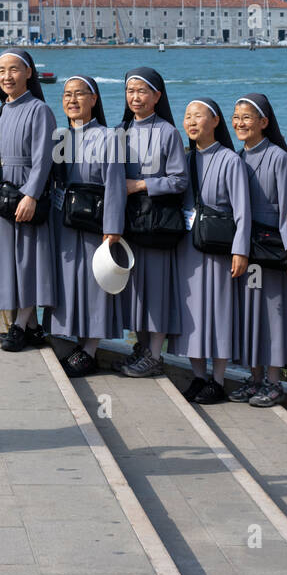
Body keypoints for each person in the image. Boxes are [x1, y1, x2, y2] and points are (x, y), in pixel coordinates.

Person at [0, 49, 58, 351]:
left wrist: (31, 194)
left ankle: (19, 327)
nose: (7, 76)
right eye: (2, 70)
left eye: (14, 69)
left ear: (28, 73)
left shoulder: (40, 110)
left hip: (27, 192)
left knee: (28, 261)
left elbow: (44, 158)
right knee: (5, 260)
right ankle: (32, 330)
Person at [172, 98, 251, 403]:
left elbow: (242, 210)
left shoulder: (230, 160)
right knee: (191, 311)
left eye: (198, 116)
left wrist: (240, 250)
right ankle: (198, 376)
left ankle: (218, 380)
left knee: (218, 311)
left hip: (219, 247)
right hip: (188, 246)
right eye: (187, 116)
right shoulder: (185, 158)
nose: (191, 122)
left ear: (216, 121)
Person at [49, 75, 125, 377]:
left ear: (94, 99)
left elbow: (116, 185)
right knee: (67, 279)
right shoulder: (60, 136)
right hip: (63, 219)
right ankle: (67, 338)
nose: (72, 100)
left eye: (79, 94)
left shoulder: (110, 137)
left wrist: (114, 226)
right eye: (67, 94)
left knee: (95, 284)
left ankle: (90, 350)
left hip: (96, 220)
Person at [230, 94, 287, 407]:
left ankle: (274, 382)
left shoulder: (279, 158)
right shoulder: (238, 157)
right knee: (251, 313)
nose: (240, 123)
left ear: (264, 122)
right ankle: (254, 377)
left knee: (272, 314)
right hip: (248, 250)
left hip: (273, 252)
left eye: (247, 117)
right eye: (236, 117)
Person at [117, 68, 190, 378]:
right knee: (135, 290)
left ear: (158, 96)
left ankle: (156, 355)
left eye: (142, 91)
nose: (136, 97)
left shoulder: (168, 132)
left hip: (158, 225)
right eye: (130, 90)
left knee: (157, 290)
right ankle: (142, 348)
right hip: (129, 223)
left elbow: (180, 180)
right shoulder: (119, 131)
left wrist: (141, 185)